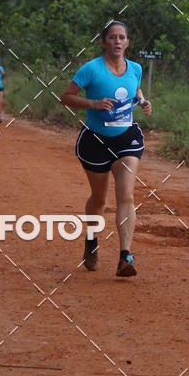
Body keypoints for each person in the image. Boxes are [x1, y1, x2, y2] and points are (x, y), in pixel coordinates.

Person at [59, 20, 152, 278]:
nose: (118, 41)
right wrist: (93, 103)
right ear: (103, 42)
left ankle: (125, 256)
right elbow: (65, 97)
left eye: (122, 37)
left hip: (126, 139)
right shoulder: (91, 69)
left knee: (126, 195)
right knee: (99, 199)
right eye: (112, 37)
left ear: (128, 42)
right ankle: (91, 239)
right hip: (95, 141)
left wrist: (142, 101)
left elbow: (135, 90)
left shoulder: (135, 68)